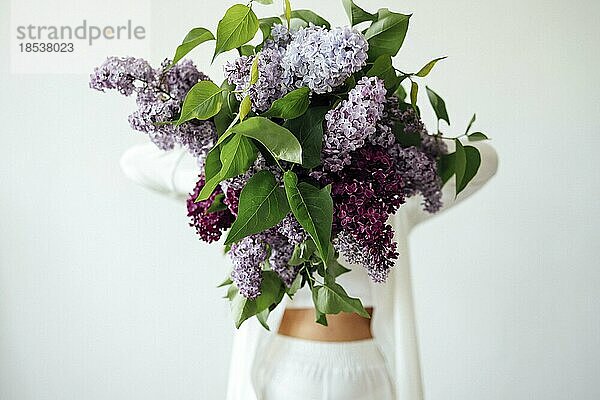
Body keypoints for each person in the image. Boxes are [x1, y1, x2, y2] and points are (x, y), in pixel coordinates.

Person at [120, 140, 499, 400]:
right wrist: (244, 140)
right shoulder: (260, 187)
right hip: (289, 367)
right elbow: (135, 163)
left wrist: (392, 141)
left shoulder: (387, 189)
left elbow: (485, 159)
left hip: (367, 367)